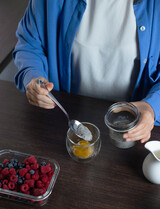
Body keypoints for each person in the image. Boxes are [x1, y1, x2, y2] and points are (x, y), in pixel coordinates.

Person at [13, 0, 160, 144]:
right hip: (61, 124)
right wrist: (33, 76)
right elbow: (30, 44)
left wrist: (152, 107)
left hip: (133, 135)